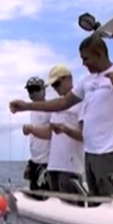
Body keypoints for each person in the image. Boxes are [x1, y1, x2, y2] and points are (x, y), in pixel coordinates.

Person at [9, 34, 113, 198]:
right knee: (94, 205)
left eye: (86, 58)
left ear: (99, 54)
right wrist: (25, 106)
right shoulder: (86, 81)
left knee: (111, 206)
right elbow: (62, 103)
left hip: (111, 152)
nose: (83, 63)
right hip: (91, 154)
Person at [27, 64, 84, 194]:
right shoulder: (56, 105)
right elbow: (49, 133)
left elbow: (85, 136)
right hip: (53, 166)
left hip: (71, 168)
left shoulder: (80, 103)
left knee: (71, 208)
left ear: (68, 79)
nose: (55, 88)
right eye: (53, 85)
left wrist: (65, 129)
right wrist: (31, 129)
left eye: (57, 83)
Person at [21, 76, 51, 193]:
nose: (32, 93)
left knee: (44, 192)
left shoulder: (50, 109)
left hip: (46, 161)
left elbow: (52, 133)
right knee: (33, 191)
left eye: (36, 89)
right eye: (30, 90)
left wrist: (32, 129)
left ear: (43, 90)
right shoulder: (32, 110)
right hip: (35, 160)